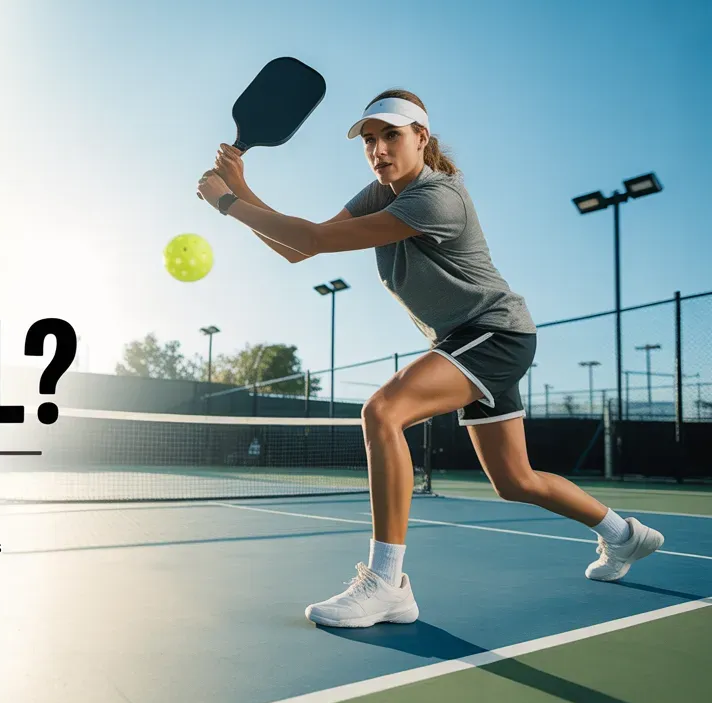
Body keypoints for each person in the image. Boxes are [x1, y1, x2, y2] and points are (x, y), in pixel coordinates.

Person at [195, 89, 665, 628]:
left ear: (421, 137)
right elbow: (298, 248)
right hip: (468, 339)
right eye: (369, 140)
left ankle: (387, 584)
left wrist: (230, 204)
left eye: (390, 135)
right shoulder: (378, 194)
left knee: (382, 412)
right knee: (515, 480)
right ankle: (624, 536)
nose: (378, 149)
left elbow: (315, 240)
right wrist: (242, 189)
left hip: (493, 332)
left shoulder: (435, 197)